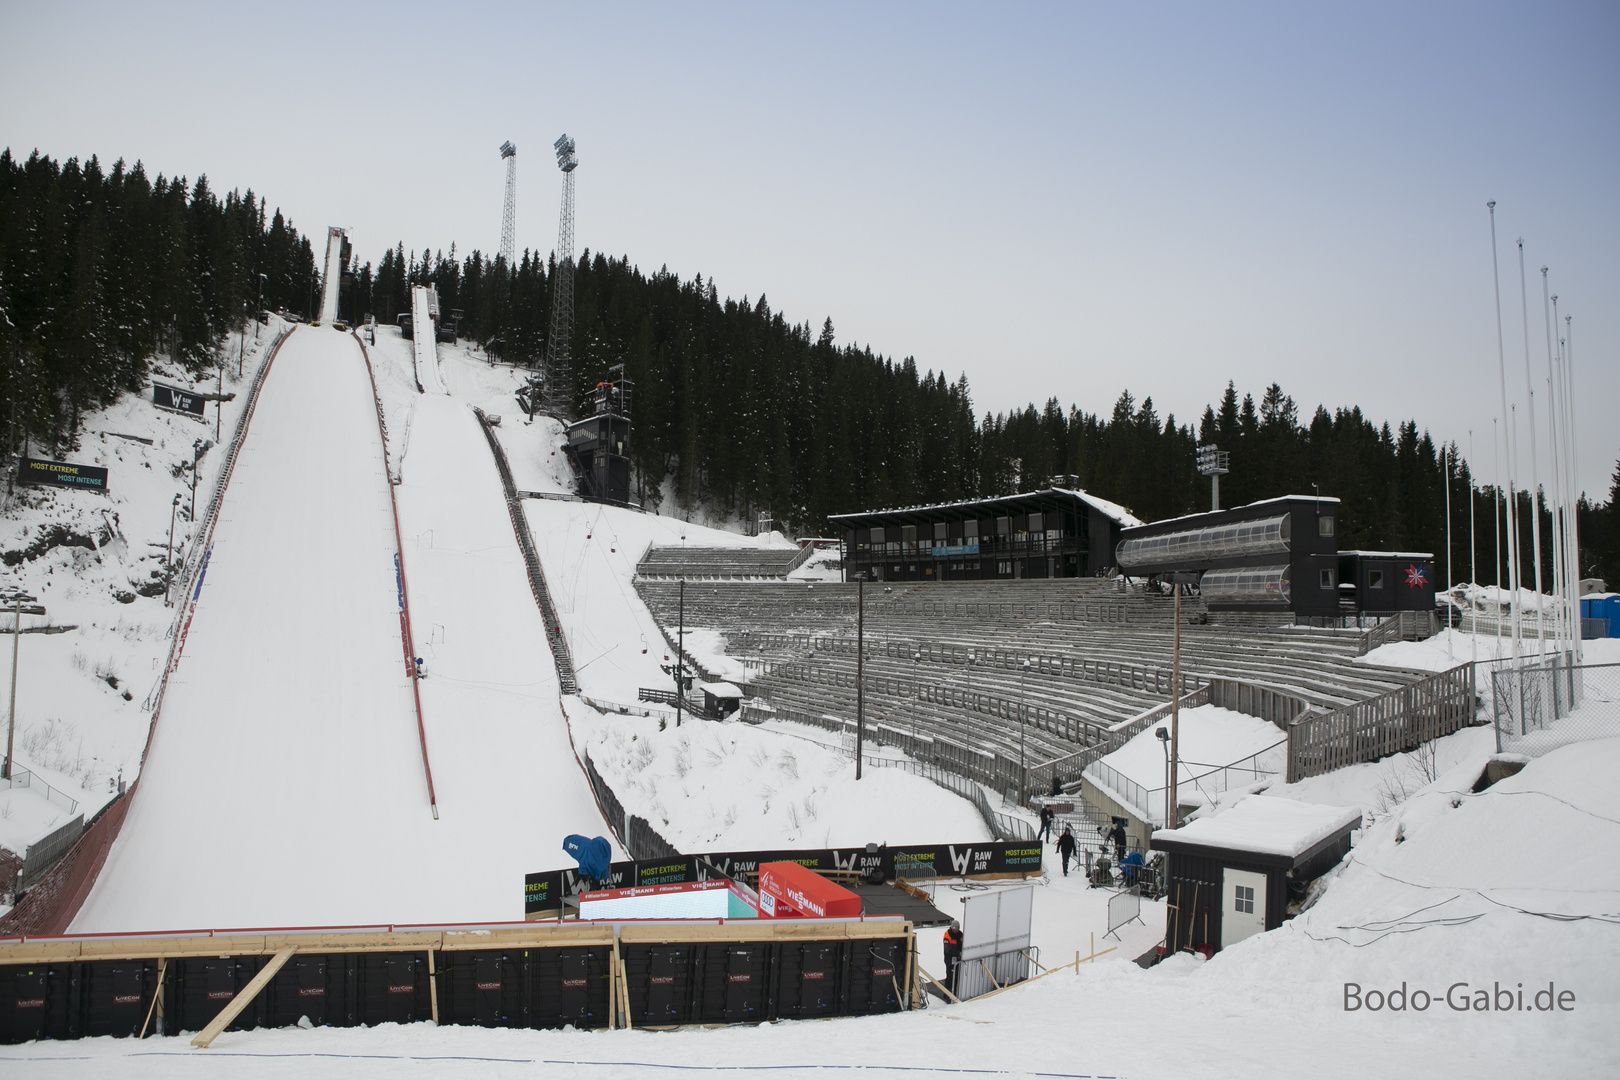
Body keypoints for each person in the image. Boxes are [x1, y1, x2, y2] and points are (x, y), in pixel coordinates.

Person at [941, 920, 963, 994]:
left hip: (958, 960)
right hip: (950, 960)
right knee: (950, 977)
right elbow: (948, 949)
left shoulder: (961, 935)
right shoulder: (947, 935)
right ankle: (947, 994)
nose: (955, 931)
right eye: (954, 929)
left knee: (957, 976)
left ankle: (955, 992)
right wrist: (958, 953)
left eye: (956, 929)